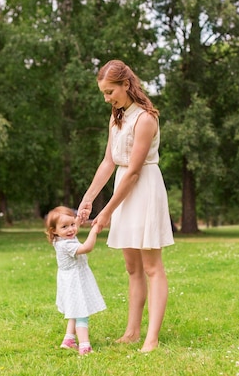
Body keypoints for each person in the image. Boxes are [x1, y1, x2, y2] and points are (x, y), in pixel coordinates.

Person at [77, 59, 174, 353]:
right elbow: (109, 162)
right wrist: (89, 198)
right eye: (104, 94)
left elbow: (133, 171)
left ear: (126, 84)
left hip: (143, 187)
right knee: (132, 268)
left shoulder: (145, 119)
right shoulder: (116, 117)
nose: (107, 99)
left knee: (152, 266)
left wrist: (106, 211)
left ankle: (152, 338)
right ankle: (132, 331)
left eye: (110, 92)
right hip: (123, 187)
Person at [45, 206, 106, 355]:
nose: (71, 229)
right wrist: (94, 231)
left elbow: (74, 224)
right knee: (81, 313)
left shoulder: (62, 238)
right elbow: (87, 247)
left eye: (72, 225)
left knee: (74, 310)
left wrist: (78, 219)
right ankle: (85, 346)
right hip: (74, 281)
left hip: (71, 279)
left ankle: (69, 340)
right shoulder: (66, 244)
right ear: (54, 230)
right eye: (64, 227)